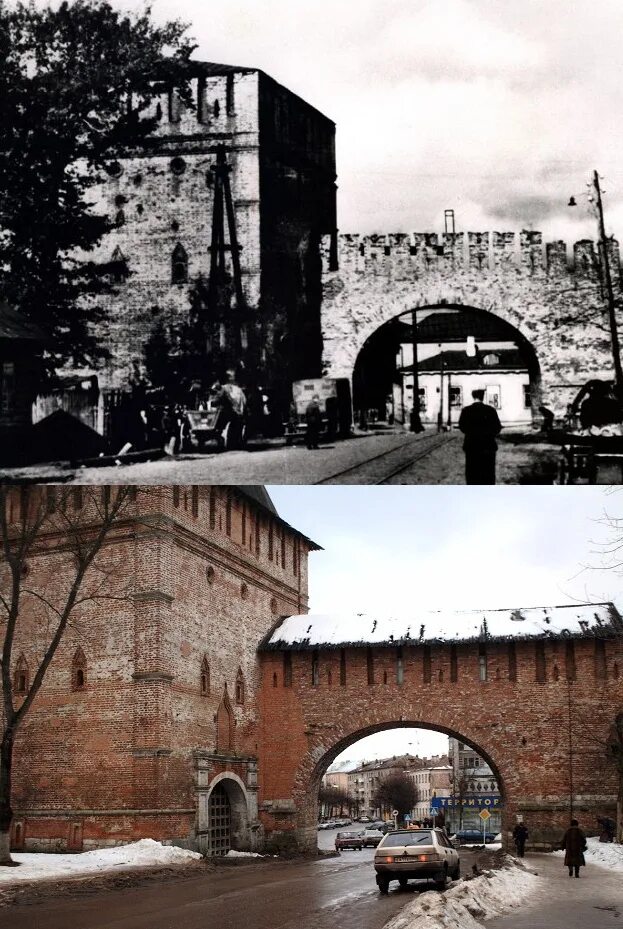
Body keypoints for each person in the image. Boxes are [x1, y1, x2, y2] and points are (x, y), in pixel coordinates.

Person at [458, 389, 502, 484]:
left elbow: (462, 427)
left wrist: (471, 433)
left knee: (472, 472)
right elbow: (497, 428)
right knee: (488, 473)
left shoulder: (466, 410)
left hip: (471, 446)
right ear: (483, 397)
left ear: (473, 397)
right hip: (488, 446)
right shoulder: (490, 410)